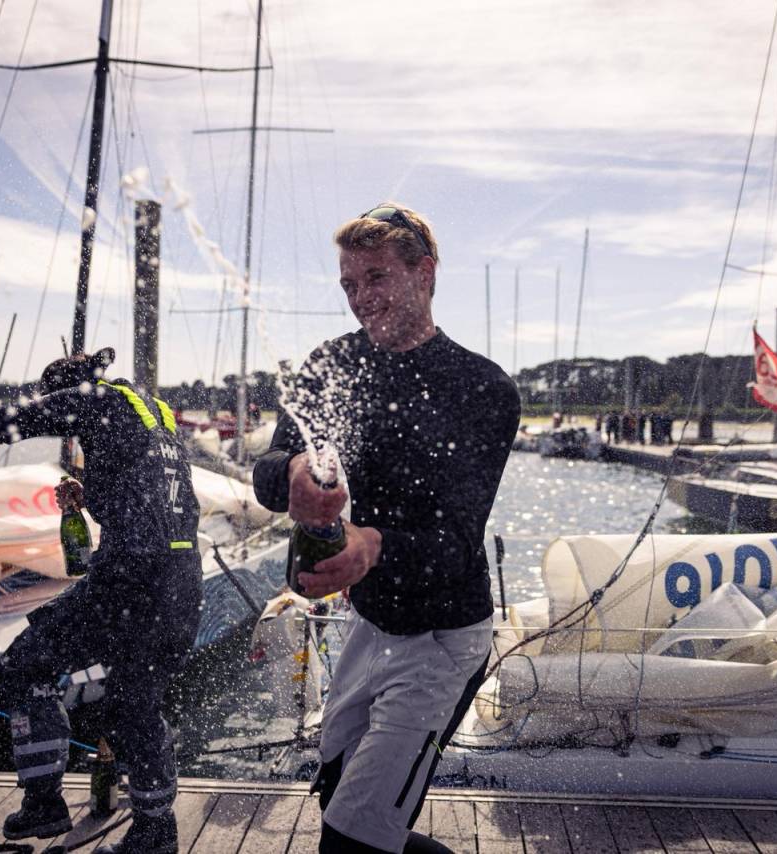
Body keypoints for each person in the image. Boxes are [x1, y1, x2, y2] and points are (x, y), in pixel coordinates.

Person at [254, 203, 519, 854]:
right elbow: (267, 469)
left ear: (424, 273)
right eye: (349, 283)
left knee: (353, 839)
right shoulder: (331, 365)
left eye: (376, 277)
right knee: (337, 800)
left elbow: (455, 544)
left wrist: (373, 546)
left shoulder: (482, 388)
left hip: (444, 634)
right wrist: (292, 471)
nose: (360, 298)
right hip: (369, 622)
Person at [0, 349, 202, 854]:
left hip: (129, 581)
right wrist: (97, 493)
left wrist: (32, 406)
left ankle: (43, 802)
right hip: (181, 581)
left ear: (69, 389)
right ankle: (155, 829)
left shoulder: (93, 400)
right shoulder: (151, 412)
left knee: (21, 669)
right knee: (134, 700)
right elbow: (154, 494)